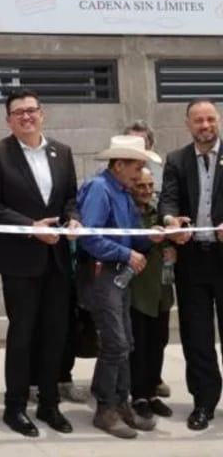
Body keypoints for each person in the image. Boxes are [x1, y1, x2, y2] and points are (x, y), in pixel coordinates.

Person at [0, 88, 81, 438]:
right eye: (18, 112)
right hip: (21, 260)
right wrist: (30, 227)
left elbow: (71, 198)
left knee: (55, 333)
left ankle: (49, 403)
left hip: (57, 260)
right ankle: (15, 406)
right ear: (9, 120)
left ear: (42, 113)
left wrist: (73, 219)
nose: (26, 116)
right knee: (22, 334)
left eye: (31, 110)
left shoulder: (62, 152)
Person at [77, 135, 162, 438]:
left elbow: (131, 235)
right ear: (119, 165)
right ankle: (106, 407)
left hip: (117, 274)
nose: (140, 174)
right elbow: (89, 237)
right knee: (116, 342)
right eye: (137, 167)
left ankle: (119, 403)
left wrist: (149, 237)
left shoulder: (122, 192)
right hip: (103, 275)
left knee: (125, 341)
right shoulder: (100, 189)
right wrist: (127, 253)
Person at [159, 98, 223, 431]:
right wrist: (171, 221)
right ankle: (203, 403)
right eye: (198, 120)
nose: (205, 126)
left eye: (210, 119)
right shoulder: (177, 160)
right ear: (188, 124)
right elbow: (167, 199)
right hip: (193, 259)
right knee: (196, 336)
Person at [129, 168, 174, 420]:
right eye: (141, 186)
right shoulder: (128, 213)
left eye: (150, 185)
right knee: (139, 344)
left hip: (162, 290)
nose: (146, 191)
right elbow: (128, 242)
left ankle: (152, 392)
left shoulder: (159, 213)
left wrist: (172, 249)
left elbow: (171, 241)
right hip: (138, 291)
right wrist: (148, 240)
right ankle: (139, 396)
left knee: (159, 341)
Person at [124, 120, 164, 196]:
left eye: (141, 144)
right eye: (132, 143)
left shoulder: (159, 173)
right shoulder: (109, 172)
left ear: (151, 146)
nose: (136, 149)